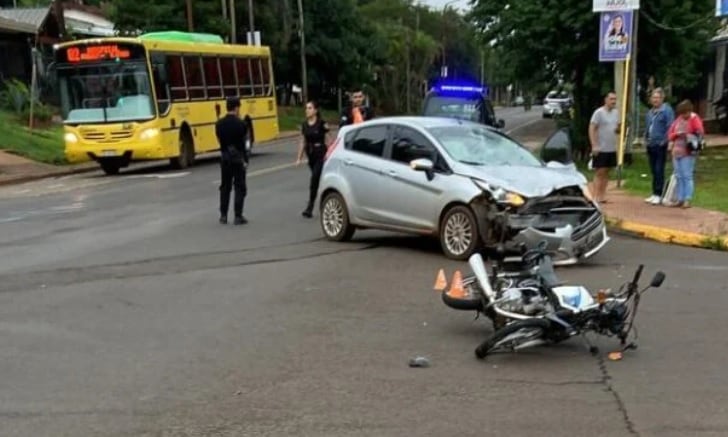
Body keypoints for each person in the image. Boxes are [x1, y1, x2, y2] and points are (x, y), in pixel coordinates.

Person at [216, 96, 249, 225]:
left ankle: (223, 215)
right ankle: (238, 215)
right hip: (238, 159)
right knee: (239, 186)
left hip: (225, 158)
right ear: (236, 108)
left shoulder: (219, 124)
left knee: (225, 187)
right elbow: (244, 144)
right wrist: (245, 160)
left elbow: (220, 141)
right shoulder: (242, 124)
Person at [667, 99, 704, 209]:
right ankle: (680, 198)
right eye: (681, 113)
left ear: (689, 111)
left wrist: (688, 134)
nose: (683, 115)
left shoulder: (694, 119)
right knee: (678, 176)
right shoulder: (678, 119)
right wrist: (676, 134)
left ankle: (687, 199)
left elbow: (700, 132)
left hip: (688, 151)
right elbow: (670, 133)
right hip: (676, 151)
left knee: (687, 175)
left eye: (685, 113)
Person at [296, 100, 330, 218]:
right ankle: (325, 202)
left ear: (315, 110)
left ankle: (309, 207)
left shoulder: (322, 123)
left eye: (310, 108)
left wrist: (331, 154)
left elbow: (328, 139)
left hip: (321, 154)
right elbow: (303, 141)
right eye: (306, 108)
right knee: (318, 181)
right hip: (311, 155)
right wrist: (299, 158)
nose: (307, 110)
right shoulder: (304, 125)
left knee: (314, 179)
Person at [644, 88, 675, 205]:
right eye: (653, 98)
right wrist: (645, 139)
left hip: (660, 144)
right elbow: (648, 128)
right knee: (653, 170)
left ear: (662, 98)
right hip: (650, 144)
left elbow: (670, 127)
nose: (655, 100)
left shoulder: (667, 111)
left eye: (657, 98)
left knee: (659, 169)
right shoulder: (650, 112)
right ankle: (654, 193)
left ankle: (658, 194)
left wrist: (666, 141)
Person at [588, 91, 620, 204]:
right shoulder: (599, 113)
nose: (613, 101)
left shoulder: (616, 113)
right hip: (600, 147)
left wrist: (618, 129)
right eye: (611, 99)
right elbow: (592, 128)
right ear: (605, 100)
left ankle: (602, 195)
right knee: (599, 172)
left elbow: (617, 128)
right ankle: (595, 196)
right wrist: (594, 144)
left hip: (611, 147)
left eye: (615, 99)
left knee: (607, 171)